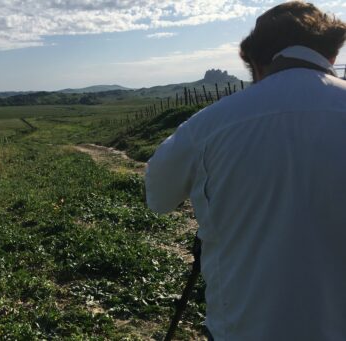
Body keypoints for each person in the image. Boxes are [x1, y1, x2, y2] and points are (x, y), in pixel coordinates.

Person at [145, 2, 346, 340]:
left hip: (245, 327)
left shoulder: (209, 125)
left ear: (255, 61)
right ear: (330, 53)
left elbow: (158, 197)